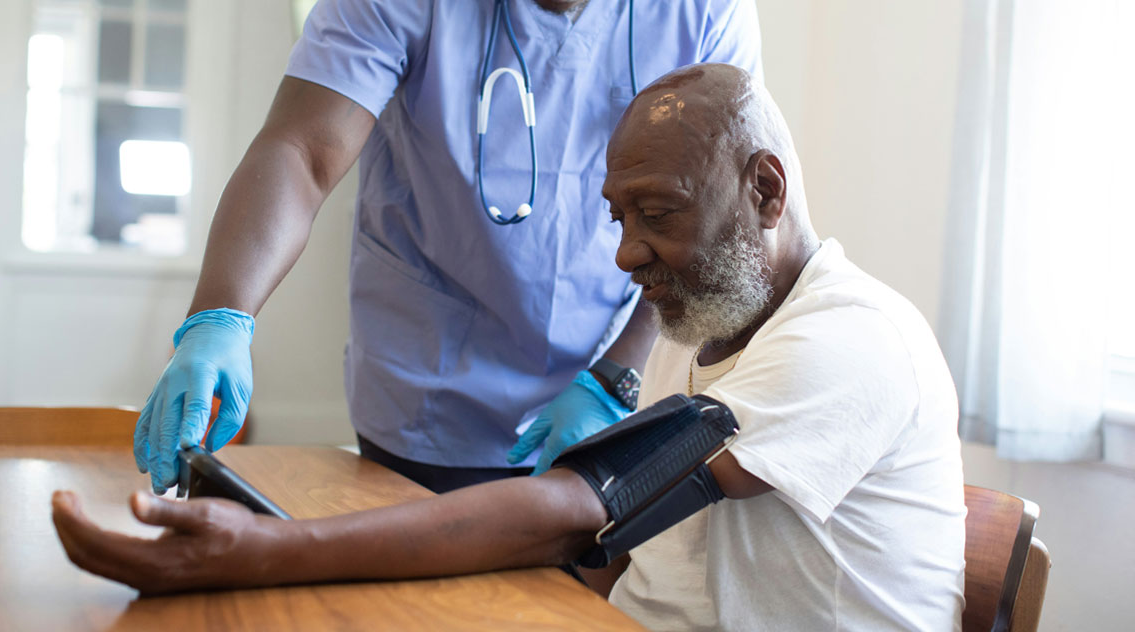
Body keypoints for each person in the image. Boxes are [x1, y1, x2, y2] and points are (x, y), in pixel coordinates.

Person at [56, 64, 966, 631]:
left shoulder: (852, 340)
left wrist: (266, 552)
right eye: (619, 218)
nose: (626, 252)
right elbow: (611, 544)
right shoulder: (703, 331)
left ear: (765, 189)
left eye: (657, 214)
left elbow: (586, 507)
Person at [133, 0, 764, 496]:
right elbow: (302, 150)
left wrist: (618, 378)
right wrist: (222, 317)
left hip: (608, 388)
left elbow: (711, 224)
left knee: (563, 598)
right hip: (424, 395)